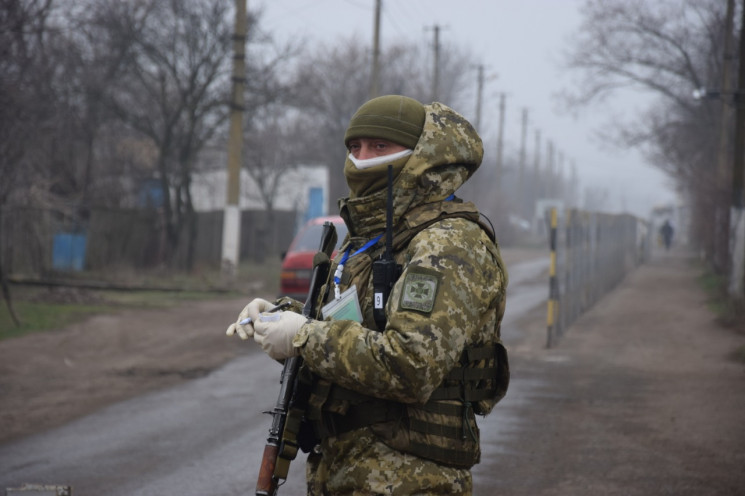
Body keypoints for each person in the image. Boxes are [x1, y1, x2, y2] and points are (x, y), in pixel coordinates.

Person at [226, 95, 509, 495]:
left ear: (420, 155)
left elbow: (411, 364)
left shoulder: (447, 244)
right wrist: (282, 316)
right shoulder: (370, 240)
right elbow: (352, 328)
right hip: (345, 470)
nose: (362, 158)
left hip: (409, 479)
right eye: (354, 147)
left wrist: (304, 337)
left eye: (380, 147)